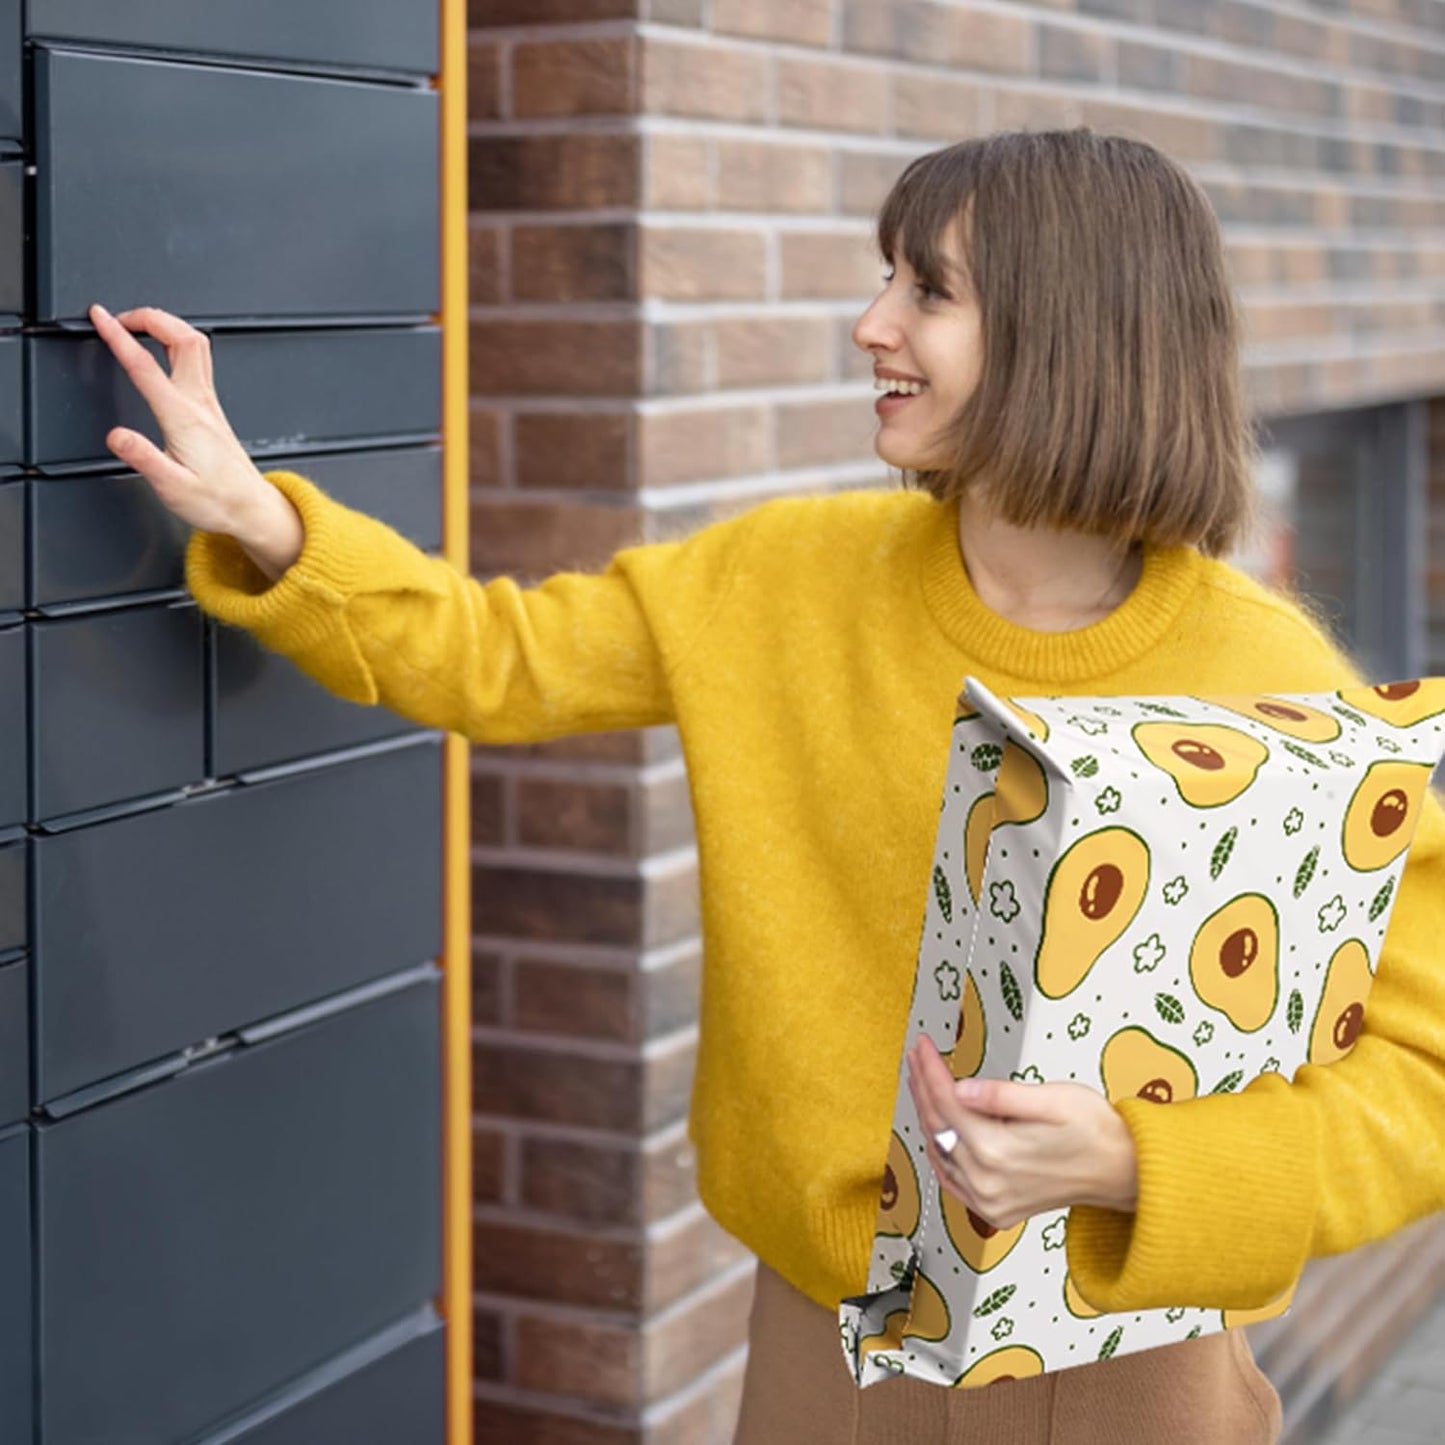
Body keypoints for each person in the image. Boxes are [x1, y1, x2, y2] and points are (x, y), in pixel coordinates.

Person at [87, 128, 1445, 1444]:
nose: (870, 323)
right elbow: (491, 655)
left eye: (927, 289)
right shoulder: (783, 578)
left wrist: (1134, 1164)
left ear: (1072, 331)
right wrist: (266, 516)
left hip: (1134, 1373)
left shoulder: (1272, 684)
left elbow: (1421, 1082)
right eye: (882, 277)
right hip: (821, 1352)